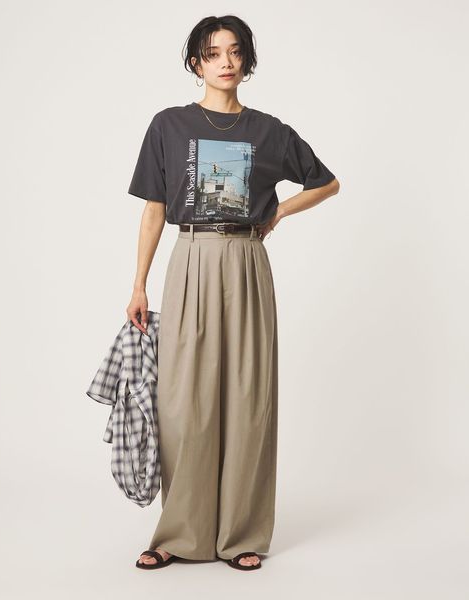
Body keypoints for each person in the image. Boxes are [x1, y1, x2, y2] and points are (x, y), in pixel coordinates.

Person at [127, 14, 340, 571]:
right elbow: (154, 210)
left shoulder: (268, 131)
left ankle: (242, 534)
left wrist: (279, 213)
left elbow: (326, 182)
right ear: (195, 62)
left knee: (248, 397)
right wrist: (139, 285)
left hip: (246, 260)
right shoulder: (169, 125)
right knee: (183, 402)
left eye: (235, 51)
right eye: (212, 52)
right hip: (190, 257)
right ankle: (181, 534)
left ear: (247, 60)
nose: (225, 61)